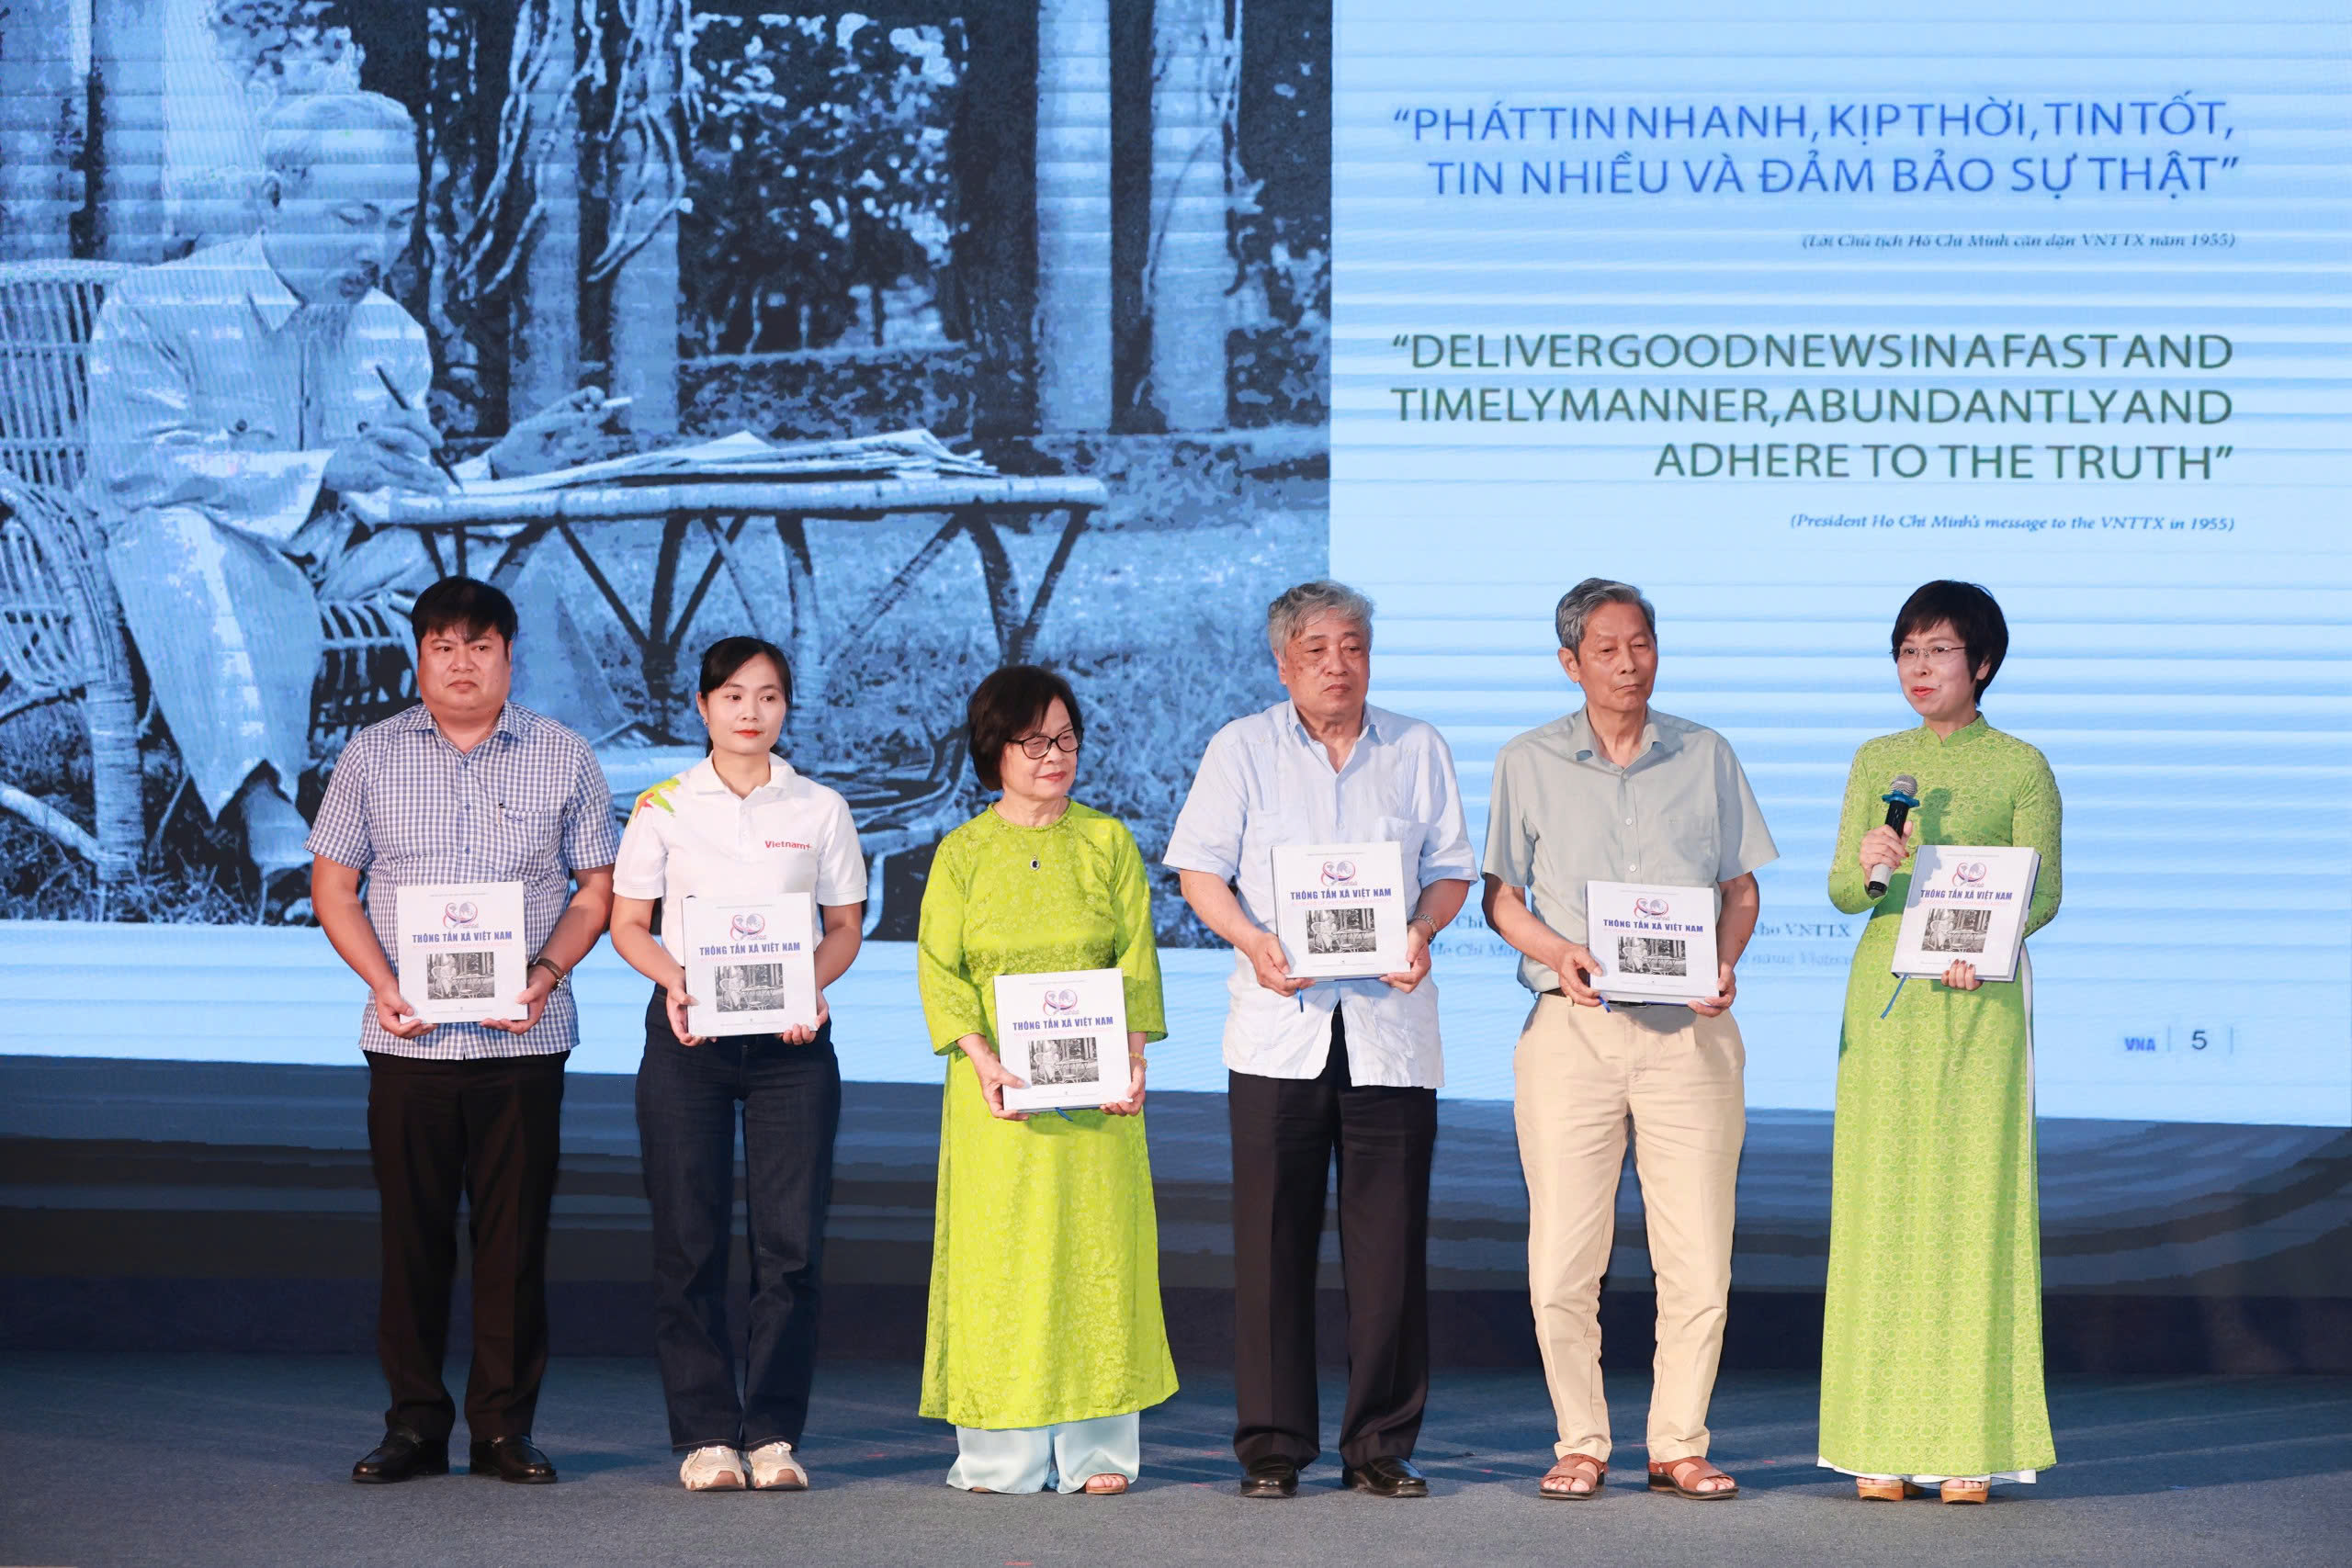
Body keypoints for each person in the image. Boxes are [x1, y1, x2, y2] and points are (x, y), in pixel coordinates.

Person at [83, 90, 616, 879]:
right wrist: (324, 469)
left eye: (398, 221)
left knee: (490, 558)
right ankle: (269, 813)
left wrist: (498, 467)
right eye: (353, 218)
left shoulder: (392, 333)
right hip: (195, 570)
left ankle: (574, 790)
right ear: (274, 199)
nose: (379, 249)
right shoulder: (157, 307)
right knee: (180, 535)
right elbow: (140, 467)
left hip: (341, 565)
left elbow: (390, 498)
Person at [1164, 581, 1476, 1501]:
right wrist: (1252, 940)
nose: (1337, 665)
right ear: (1282, 663)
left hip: (1389, 1032)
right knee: (1271, 1245)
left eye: (1353, 647)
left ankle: (1379, 1442)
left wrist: (1421, 930)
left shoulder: (1416, 747)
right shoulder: (1242, 748)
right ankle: (1272, 1444)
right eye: (1316, 650)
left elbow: (1451, 872)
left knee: (1389, 1252)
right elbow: (1199, 871)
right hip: (1279, 1032)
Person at [307, 576, 618, 1484]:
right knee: (411, 1240)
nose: (461, 663)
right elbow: (334, 888)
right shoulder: (371, 754)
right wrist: (383, 983)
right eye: (442, 646)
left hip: (523, 1038)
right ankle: (413, 1426)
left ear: (509, 657)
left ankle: (502, 1430)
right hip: (408, 1038)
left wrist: (544, 974)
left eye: (480, 646)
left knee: (512, 1243)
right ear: (418, 658)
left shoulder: (563, 754)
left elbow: (596, 890)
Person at [1482, 578, 1777, 1503]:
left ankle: (1678, 1441)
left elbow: (1740, 888)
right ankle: (1581, 1440)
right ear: (1569, 662)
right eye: (1606, 649)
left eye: (1641, 643)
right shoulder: (1527, 760)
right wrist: (1558, 953)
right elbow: (1501, 899)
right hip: (1574, 1032)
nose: (1628, 663)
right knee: (1562, 1263)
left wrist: (1723, 960)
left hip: (1689, 1037)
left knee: (1699, 1257)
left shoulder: (1705, 753)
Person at [1817, 581, 2062, 1505]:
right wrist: (1871, 863)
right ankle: (1875, 1442)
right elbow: (1844, 892)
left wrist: (1986, 946)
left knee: (1970, 1211)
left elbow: (2042, 892)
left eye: (1939, 651)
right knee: (1883, 1211)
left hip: (1978, 1002)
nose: (1919, 669)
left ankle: (1969, 1443)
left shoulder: (2021, 765)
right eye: (1906, 652)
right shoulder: (1879, 761)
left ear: (1983, 663)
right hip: (1890, 1007)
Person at [607, 637, 867, 1492]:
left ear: (786, 706)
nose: (750, 711)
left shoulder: (821, 807)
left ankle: (774, 1435)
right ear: (702, 705)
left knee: (790, 1249)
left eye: (767, 696)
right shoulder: (663, 805)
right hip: (689, 1039)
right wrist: (676, 981)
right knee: (689, 1242)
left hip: (792, 1046)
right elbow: (629, 924)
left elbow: (843, 927)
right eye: (732, 695)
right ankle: (707, 1435)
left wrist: (810, 988)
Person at [914, 664, 1175, 1495]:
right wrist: (981, 1057)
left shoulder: (1107, 842)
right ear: (994, 749)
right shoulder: (963, 853)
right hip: (997, 1098)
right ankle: (1002, 1458)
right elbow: (940, 969)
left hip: (1100, 1098)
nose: (1053, 754)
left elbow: (1136, 962)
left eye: (1065, 738)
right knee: (1002, 1265)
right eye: (1033, 741)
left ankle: (1098, 1454)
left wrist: (1133, 1057)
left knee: (1098, 1261)